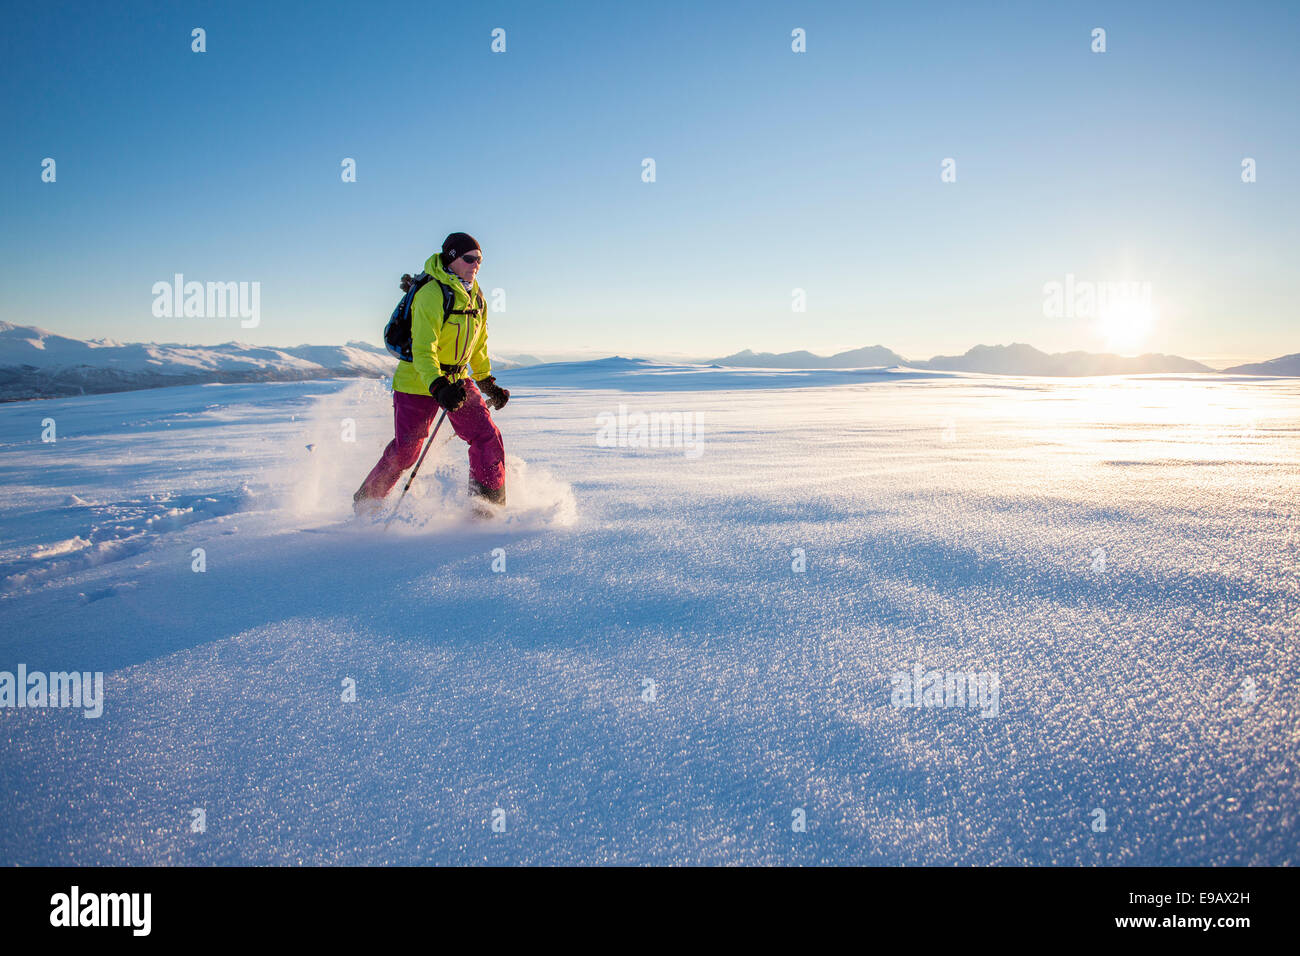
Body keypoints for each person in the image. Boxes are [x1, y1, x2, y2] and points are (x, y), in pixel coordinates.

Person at [354, 232, 510, 516]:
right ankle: (366, 500)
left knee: (487, 437)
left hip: (456, 379)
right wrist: (438, 387)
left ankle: (487, 512)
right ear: (452, 259)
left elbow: (479, 343)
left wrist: (486, 381)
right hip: (417, 380)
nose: (476, 264)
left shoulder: (477, 297)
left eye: (480, 259)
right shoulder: (431, 294)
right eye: (469, 258)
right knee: (406, 452)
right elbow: (423, 350)